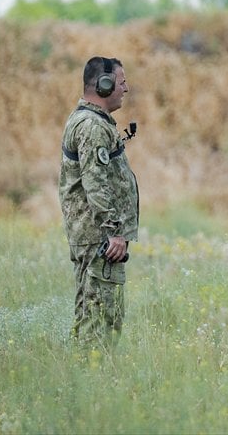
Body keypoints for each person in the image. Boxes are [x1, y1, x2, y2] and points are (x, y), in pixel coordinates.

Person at [58, 56, 140, 350]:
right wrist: (114, 231)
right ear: (104, 86)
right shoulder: (92, 126)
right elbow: (96, 182)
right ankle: (94, 381)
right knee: (100, 323)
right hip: (99, 241)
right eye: (121, 82)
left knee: (92, 317)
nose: (125, 89)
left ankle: (89, 379)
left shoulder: (91, 121)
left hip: (95, 239)